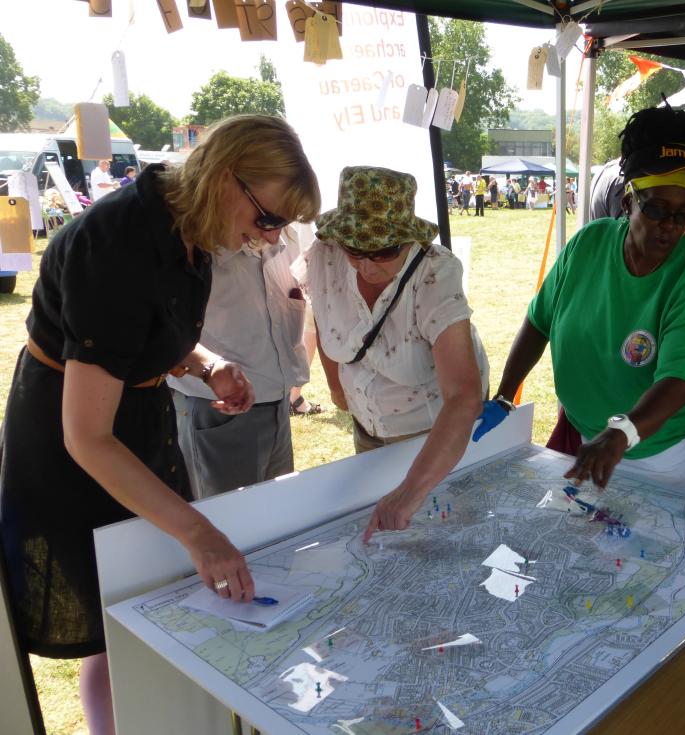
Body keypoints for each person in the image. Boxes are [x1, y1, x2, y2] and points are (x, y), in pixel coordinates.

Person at [0, 114, 320, 735]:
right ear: (228, 179)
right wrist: (201, 533)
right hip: (73, 447)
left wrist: (207, 365)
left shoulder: (192, 230)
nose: (266, 239)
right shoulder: (117, 242)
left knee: (148, 596)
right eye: (267, 220)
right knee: (110, 612)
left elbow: (147, 335)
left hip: (138, 421)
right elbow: (87, 436)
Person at [477, 105, 685, 494]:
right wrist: (505, 395)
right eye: (657, 208)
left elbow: (678, 381)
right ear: (628, 201)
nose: (671, 225)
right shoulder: (588, 244)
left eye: (684, 212)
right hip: (592, 433)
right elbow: (540, 320)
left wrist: (621, 433)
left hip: (661, 449)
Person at [300, 166, 488, 544]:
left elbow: (463, 395)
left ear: (407, 239)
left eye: (384, 251)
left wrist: (409, 492)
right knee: (386, 544)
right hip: (370, 426)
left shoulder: (435, 273)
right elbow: (323, 318)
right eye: (355, 250)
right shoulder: (324, 255)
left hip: (432, 432)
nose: (367, 267)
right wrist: (338, 390)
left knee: (437, 535)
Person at [169, 223, 313, 499]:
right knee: (229, 519)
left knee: (275, 511)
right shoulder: (196, 246)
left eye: (284, 221)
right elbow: (164, 329)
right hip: (217, 412)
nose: (274, 236)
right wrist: (209, 369)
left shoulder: (288, 236)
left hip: (277, 404)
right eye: (269, 220)